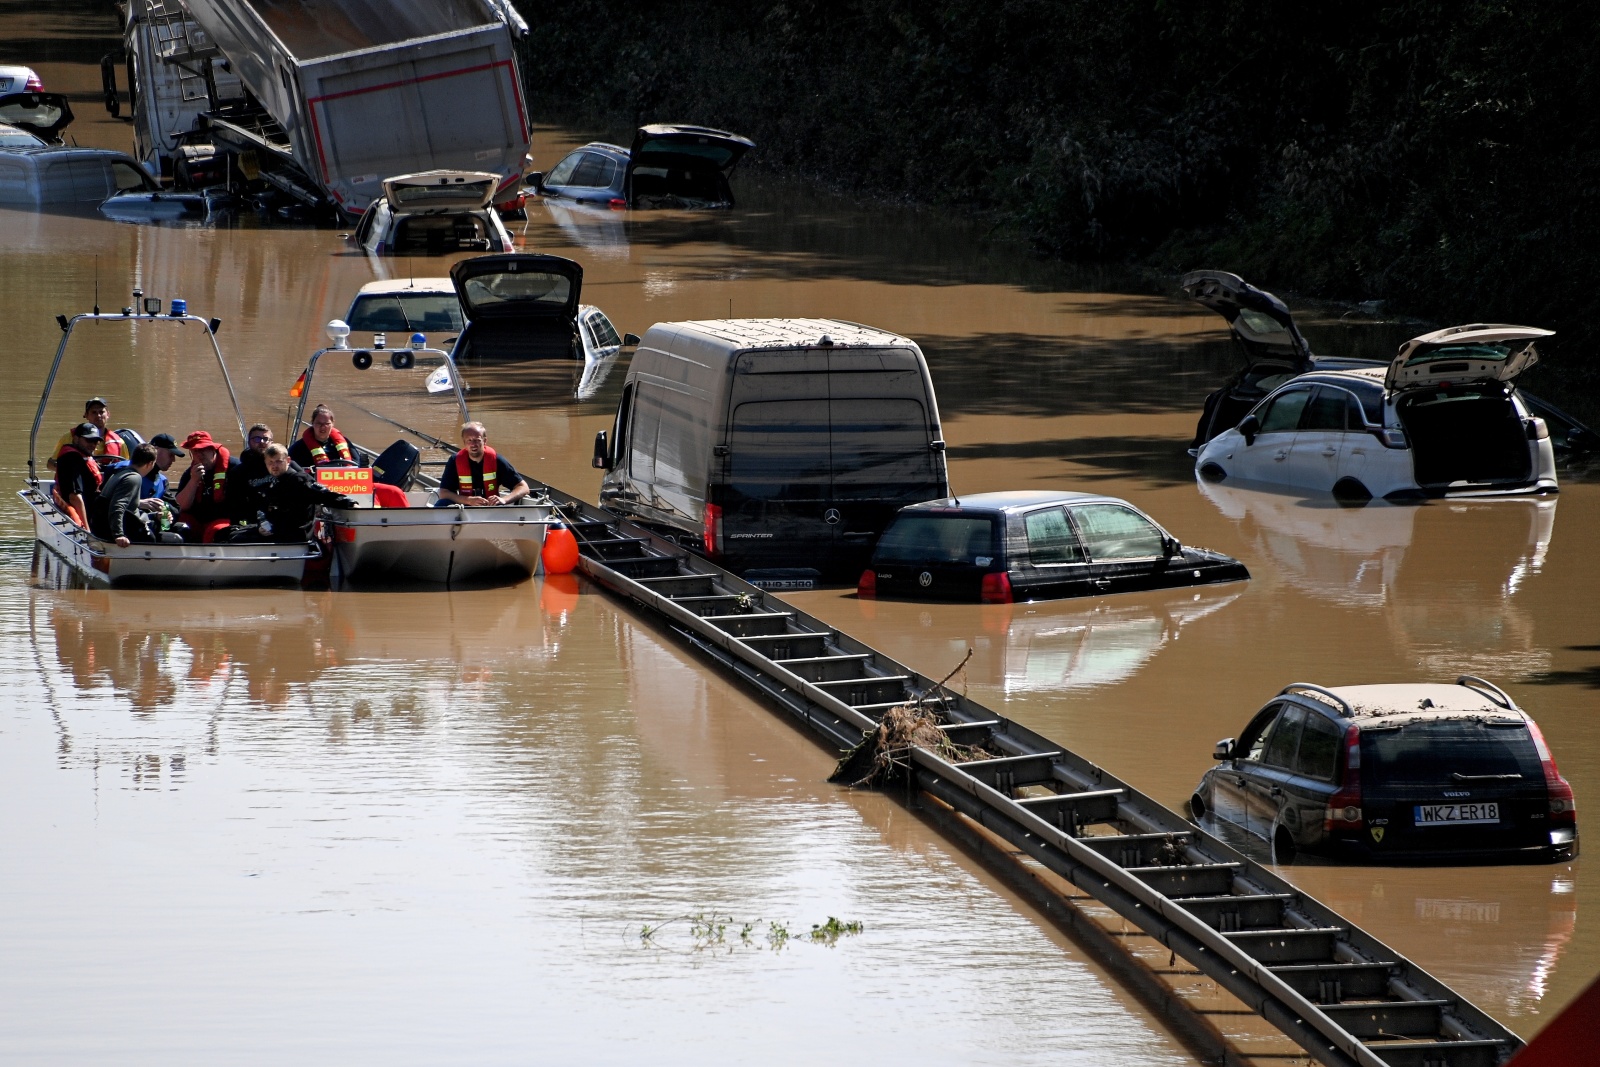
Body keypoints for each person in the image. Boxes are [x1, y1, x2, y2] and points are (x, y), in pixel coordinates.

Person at [229, 443, 354, 542]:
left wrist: (350, 503)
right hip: (276, 529)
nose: (274, 466)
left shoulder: (300, 480)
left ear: (288, 460)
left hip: (293, 534)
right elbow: (266, 510)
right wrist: (261, 526)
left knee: (236, 539)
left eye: (278, 461)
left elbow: (325, 495)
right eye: (270, 462)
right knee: (229, 532)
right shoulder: (275, 483)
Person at [436, 421, 531, 506]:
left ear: (485, 441)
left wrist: (504, 500)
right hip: (464, 508)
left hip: (491, 508)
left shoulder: (497, 460)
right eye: (469, 440)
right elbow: (444, 493)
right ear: (464, 442)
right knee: (442, 503)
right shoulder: (454, 461)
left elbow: (523, 487)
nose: (473, 444)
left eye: (477, 440)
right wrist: (468, 500)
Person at [174, 430, 241, 542]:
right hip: (198, 520)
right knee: (177, 524)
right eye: (195, 451)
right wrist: (194, 481)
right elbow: (180, 506)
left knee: (214, 530)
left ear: (213, 449)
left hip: (224, 519)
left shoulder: (235, 468)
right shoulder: (190, 473)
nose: (199, 455)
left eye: (203, 450)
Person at [92, 444, 164, 546]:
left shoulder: (119, 473)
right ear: (150, 463)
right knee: (173, 538)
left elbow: (129, 511)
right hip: (117, 534)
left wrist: (154, 516)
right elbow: (117, 506)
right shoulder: (133, 478)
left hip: (106, 527)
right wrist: (118, 535)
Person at [52, 422, 105, 527]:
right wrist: (87, 531)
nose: (93, 445)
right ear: (76, 439)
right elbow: (74, 497)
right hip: (87, 515)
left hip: (94, 507)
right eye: (89, 440)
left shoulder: (82, 456)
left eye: (95, 441)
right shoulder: (72, 458)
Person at [48, 397, 125, 469]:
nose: (98, 415)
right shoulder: (69, 437)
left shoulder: (119, 442)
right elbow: (50, 464)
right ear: (86, 415)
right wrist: (68, 468)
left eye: (101, 412)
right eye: (94, 412)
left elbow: (127, 466)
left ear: (108, 414)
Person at [288, 405, 357, 468]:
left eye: (326, 423)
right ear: (312, 423)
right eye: (319, 423)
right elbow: (288, 465)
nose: (323, 427)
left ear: (333, 424)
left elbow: (357, 462)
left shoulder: (345, 442)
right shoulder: (299, 447)